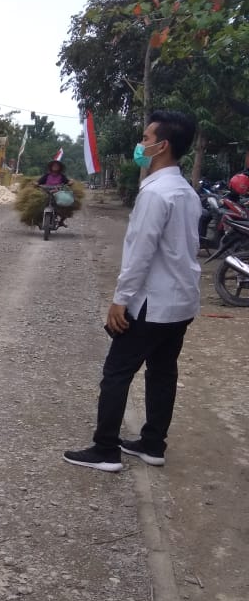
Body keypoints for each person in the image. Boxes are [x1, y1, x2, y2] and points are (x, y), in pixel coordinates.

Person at [64, 110, 199, 472]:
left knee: (117, 372)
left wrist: (120, 300)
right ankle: (153, 444)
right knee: (162, 372)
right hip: (181, 303)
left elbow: (140, 253)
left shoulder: (155, 194)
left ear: (162, 146)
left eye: (145, 138)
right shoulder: (186, 192)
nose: (141, 145)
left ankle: (105, 448)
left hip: (152, 303)